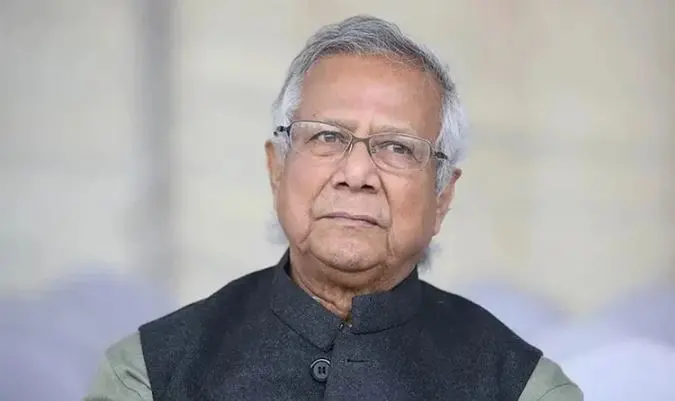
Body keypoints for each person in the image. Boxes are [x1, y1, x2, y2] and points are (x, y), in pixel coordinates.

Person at [84, 15, 582, 401]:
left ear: (442, 196)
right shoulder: (150, 373)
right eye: (327, 136)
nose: (357, 173)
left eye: (397, 147)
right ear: (277, 167)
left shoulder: (521, 387)